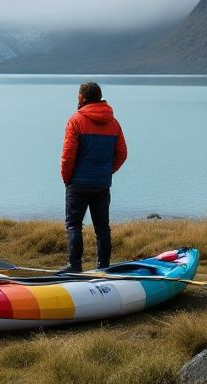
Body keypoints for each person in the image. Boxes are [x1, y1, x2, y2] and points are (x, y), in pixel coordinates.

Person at [59, 81, 127, 273]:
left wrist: (67, 178)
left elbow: (68, 155)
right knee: (102, 228)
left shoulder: (76, 121)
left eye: (78, 96)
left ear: (82, 97)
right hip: (102, 183)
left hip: (78, 183)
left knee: (74, 225)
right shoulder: (113, 123)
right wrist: (107, 171)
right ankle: (103, 267)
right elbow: (122, 154)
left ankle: (74, 266)